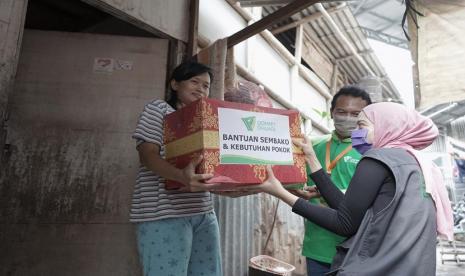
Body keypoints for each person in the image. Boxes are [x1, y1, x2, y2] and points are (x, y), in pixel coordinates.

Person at [255, 102, 454, 275]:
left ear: (387, 127)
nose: (355, 132)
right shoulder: (416, 162)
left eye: (362, 125)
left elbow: (346, 224)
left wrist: (279, 192)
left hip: (377, 267)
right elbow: (353, 213)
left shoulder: (377, 159)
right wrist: (312, 159)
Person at [131, 61, 222, 276]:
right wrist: (181, 176)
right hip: (163, 214)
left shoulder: (208, 122)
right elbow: (147, 155)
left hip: (203, 213)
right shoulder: (159, 110)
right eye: (194, 81)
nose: (201, 88)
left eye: (206, 85)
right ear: (174, 84)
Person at [294, 86, 371, 276]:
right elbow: (295, 182)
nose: (347, 118)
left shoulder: (372, 151)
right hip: (317, 244)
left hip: (356, 248)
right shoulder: (312, 146)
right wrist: (297, 191)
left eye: (355, 114)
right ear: (332, 112)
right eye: (342, 112)